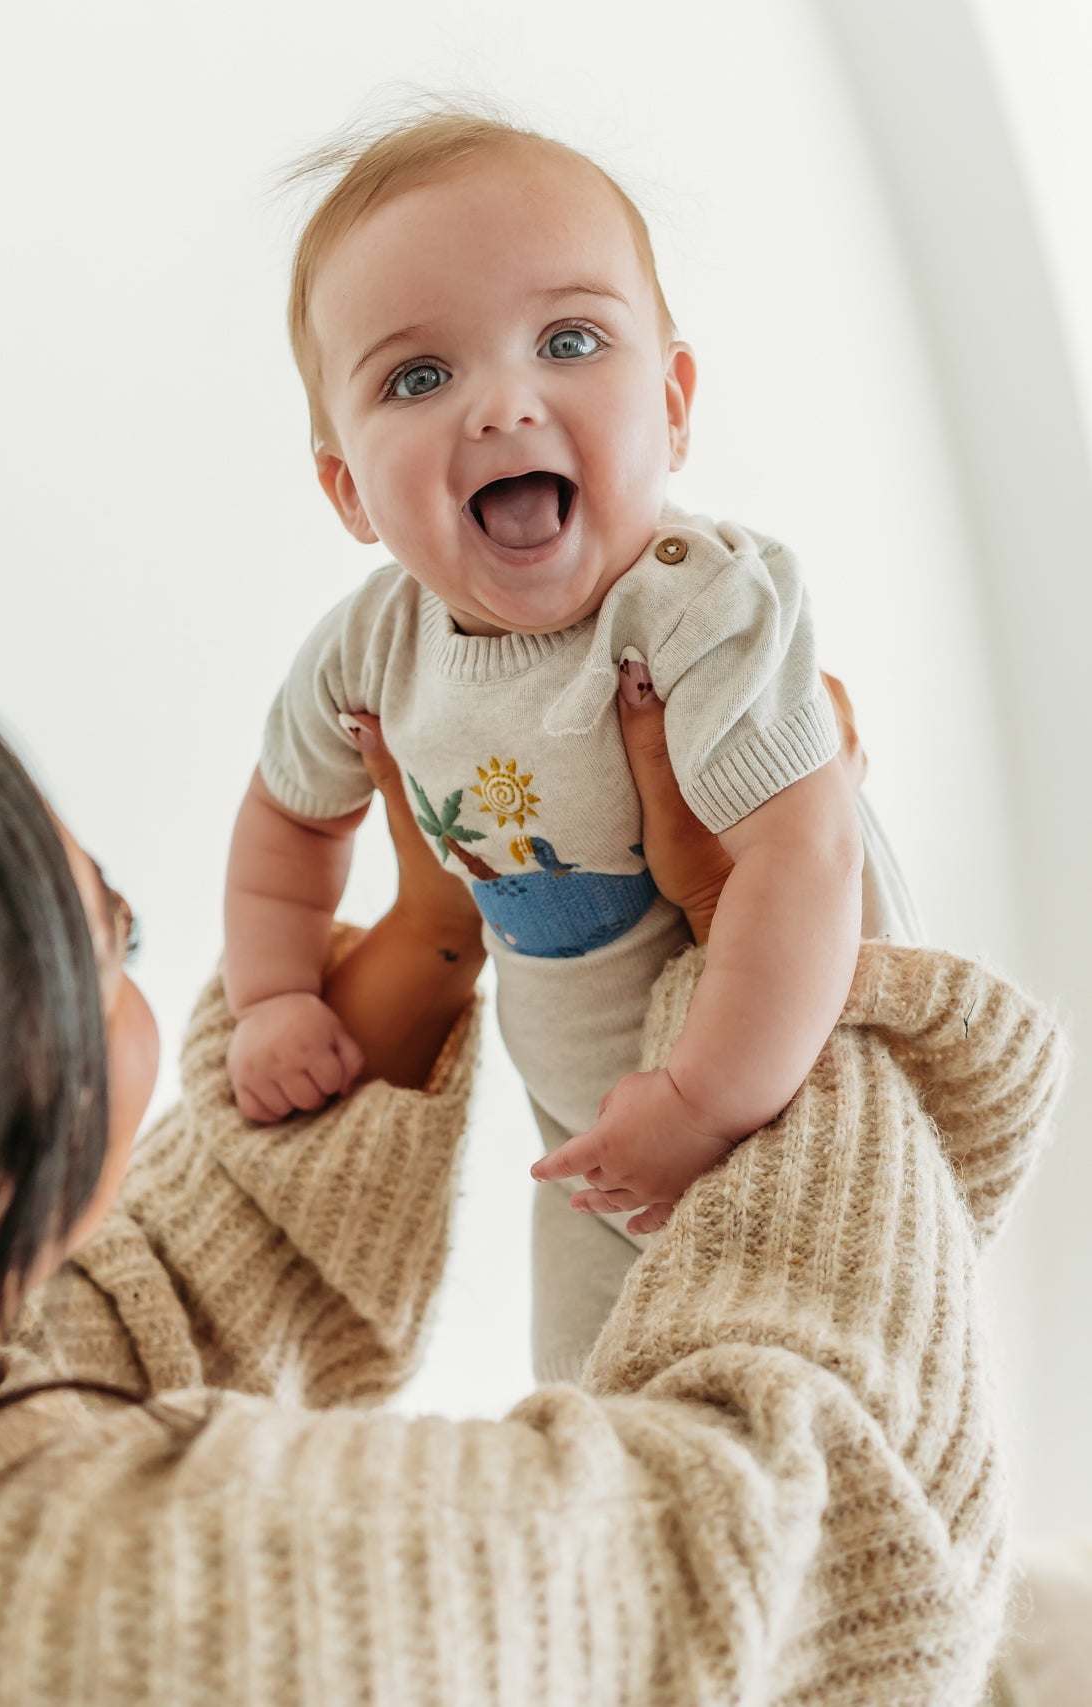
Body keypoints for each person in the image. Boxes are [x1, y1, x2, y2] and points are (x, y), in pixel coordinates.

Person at [0, 570, 1063, 1705]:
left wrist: (441, 914)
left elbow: (165, 1295)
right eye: (111, 940)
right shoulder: (163, 1612)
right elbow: (800, 1546)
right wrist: (790, 942)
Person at [221, 106, 917, 1378]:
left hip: (792, 1070)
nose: (504, 404)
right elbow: (289, 821)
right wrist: (270, 995)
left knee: (821, 1376)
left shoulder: (699, 603)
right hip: (589, 1123)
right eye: (418, 377)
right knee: (591, 1402)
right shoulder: (371, 648)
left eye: (571, 340)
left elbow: (801, 861)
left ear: (673, 403)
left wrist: (706, 1102)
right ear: (346, 491)